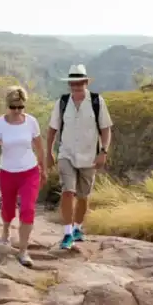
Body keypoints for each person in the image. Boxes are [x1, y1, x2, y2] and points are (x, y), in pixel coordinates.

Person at [46, 64, 113, 250]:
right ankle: (67, 233)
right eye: (72, 83)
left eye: (79, 82)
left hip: (89, 157)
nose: (75, 86)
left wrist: (103, 152)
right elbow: (52, 130)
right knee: (68, 191)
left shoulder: (96, 102)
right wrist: (49, 152)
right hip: (66, 154)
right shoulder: (63, 102)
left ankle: (77, 228)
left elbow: (106, 130)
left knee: (83, 196)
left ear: (85, 82)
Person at [0, 86, 45, 267]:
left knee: (28, 208)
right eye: (13, 107)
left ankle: (23, 251)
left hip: (29, 171)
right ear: (7, 105)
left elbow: (39, 148)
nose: (17, 111)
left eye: (21, 107)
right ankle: (5, 231)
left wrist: (44, 169)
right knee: (8, 208)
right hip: (7, 172)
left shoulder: (31, 122)